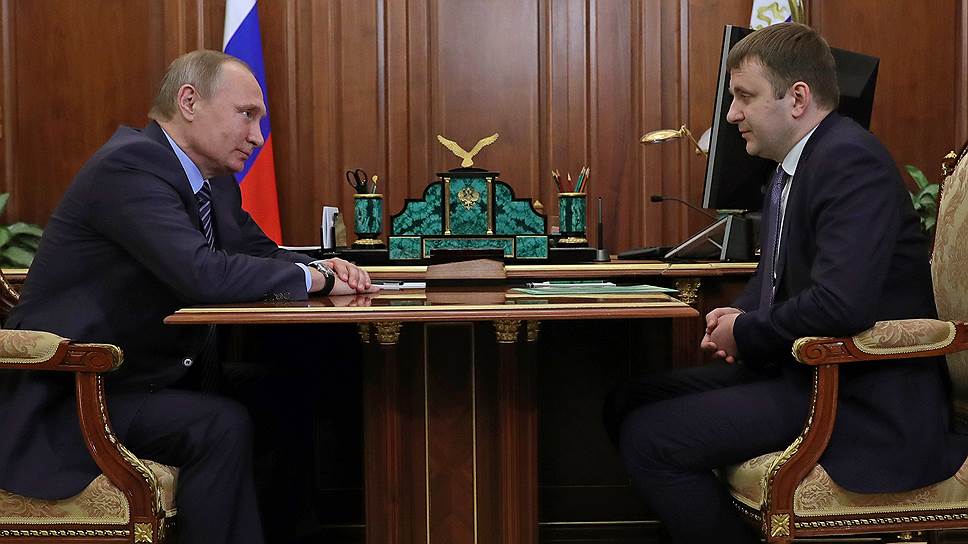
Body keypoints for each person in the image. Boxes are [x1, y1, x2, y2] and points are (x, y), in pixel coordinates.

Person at [605, 23, 968, 543]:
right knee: (627, 402)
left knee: (651, 439)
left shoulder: (849, 159)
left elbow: (840, 304)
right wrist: (737, 315)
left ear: (797, 98)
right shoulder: (791, 167)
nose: (731, 115)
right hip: (806, 374)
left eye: (744, 97)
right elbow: (775, 275)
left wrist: (745, 331)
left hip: (861, 396)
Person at [0, 50, 376, 544]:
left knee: (287, 393)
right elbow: (202, 274)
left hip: (149, 375)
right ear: (189, 101)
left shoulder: (211, 183)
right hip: (79, 392)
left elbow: (259, 252)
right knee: (221, 424)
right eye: (247, 115)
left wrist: (324, 267)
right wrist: (315, 281)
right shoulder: (129, 167)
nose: (257, 137)